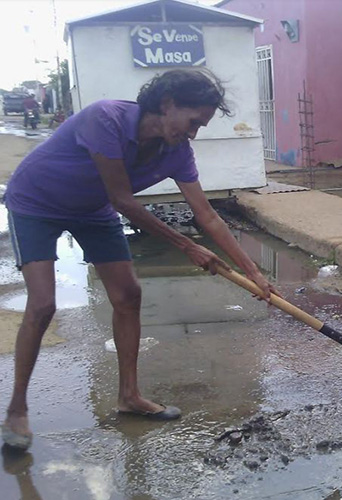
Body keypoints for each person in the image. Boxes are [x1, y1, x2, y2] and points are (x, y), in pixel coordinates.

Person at [1, 69, 277, 451]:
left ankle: (128, 396)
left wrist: (254, 272)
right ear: (167, 103)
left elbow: (207, 215)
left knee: (129, 295)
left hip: (91, 209)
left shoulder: (177, 151)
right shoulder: (106, 119)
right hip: (36, 202)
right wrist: (188, 246)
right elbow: (123, 200)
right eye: (194, 120)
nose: (194, 132)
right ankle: (16, 409)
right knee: (44, 302)